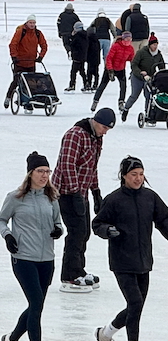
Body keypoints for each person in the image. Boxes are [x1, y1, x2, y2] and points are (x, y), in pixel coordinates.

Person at [93, 155, 168, 341]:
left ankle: (105, 334)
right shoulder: (114, 200)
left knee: (136, 307)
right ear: (123, 176)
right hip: (122, 261)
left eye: (141, 174)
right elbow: (97, 223)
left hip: (144, 260)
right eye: (133, 175)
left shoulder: (150, 197)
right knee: (135, 303)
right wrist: (108, 231)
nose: (138, 179)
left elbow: (164, 220)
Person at [0, 151, 63, 341]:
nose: (45, 176)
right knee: (35, 303)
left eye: (47, 171)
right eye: (40, 171)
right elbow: (1, 219)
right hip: (23, 258)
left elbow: (57, 221)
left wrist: (58, 230)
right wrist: (7, 236)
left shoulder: (51, 197)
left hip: (47, 259)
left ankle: (11, 339)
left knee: (37, 305)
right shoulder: (15, 197)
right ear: (30, 173)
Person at [54, 108, 113, 292]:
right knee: (76, 232)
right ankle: (69, 276)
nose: (105, 131)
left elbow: (91, 167)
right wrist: (74, 193)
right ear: (95, 121)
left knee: (85, 232)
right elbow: (67, 165)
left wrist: (95, 191)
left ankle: (78, 269)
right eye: (104, 127)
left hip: (81, 193)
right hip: (65, 192)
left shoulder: (96, 138)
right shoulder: (75, 135)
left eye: (108, 129)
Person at [6, 16, 48, 110]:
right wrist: (14, 57)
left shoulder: (38, 33)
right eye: (30, 23)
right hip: (20, 62)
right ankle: (8, 97)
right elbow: (13, 44)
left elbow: (44, 45)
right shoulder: (21, 31)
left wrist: (40, 56)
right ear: (27, 23)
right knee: (16, 81)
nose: (32, 25)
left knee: (31, 83)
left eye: (33, 23)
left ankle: (28, 102)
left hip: (31, 63)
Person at [92, 32, 135, 112]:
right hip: (110, 68)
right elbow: (109, 58)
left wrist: (134, 68)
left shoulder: (130, 48)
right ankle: (95, 101)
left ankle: (121, 102)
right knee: (102, 85)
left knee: (123, 86)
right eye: (127, 39)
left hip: (121, 69)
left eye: (130, 39)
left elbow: (131, 59)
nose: (128, 40)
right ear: (123, 39)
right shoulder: (116, 46)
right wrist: (110, 70)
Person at [127, 35, 164, 123]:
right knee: (134, 95)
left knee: (150, 96)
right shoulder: (142, 52)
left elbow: (161, 67)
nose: (155, 47)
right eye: (153, 45)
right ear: (150, 45)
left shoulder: (158, 54)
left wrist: (161, 76)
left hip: (150, 78)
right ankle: (126, 109)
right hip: (138, 77)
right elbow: (134, 64)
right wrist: (140, 73)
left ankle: (149, 115)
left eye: (156, 45)